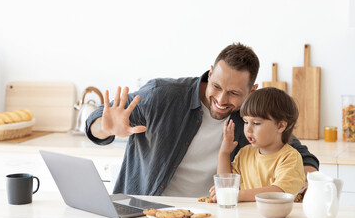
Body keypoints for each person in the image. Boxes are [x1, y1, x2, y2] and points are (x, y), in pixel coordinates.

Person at [85, 42, 319, 197]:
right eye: (216, 86)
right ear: (210, 72)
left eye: (234, 93)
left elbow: (299, 154)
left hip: (209, 216)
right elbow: (97, 120)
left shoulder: (251, 117)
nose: (221, 99)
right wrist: (106, 129)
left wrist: (300, 181)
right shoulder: (162, 94)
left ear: (252, 90)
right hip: (145, 214)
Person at [210, 87, 305, 202]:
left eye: (256, 123)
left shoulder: (290, 157)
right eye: (245, 122)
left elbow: (279, 192)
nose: (248, 129)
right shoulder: (245, 153)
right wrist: (224, 153)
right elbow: (226, 185)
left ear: (280, 126)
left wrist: (237, 195)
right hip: (248, 217)